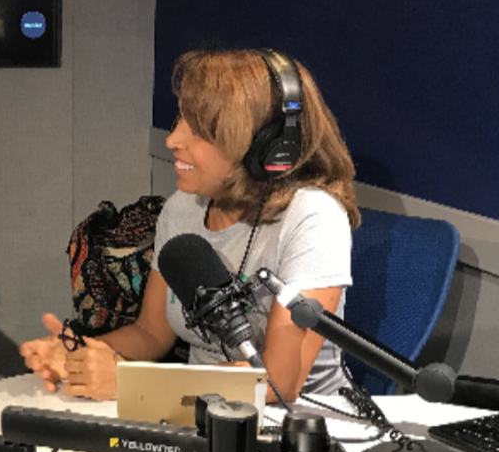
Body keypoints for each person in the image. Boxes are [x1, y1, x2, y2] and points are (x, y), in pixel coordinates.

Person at [21, 48, 360, 403]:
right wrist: (79, 356)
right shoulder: (182, 209)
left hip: (297, 420)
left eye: (198, 130)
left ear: (266, 147)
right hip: (195, 410)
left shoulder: (313, 217)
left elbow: (278, 381)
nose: (172, 140)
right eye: (179, 119)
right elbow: (152, 333)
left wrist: (135, 384)